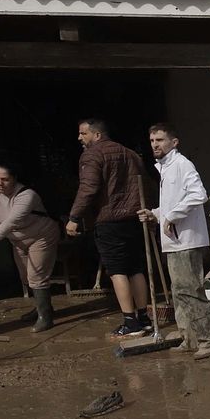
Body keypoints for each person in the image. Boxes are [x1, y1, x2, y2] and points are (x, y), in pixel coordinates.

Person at [139, 123, 210, 359]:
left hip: (186, 240)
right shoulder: (165, 169)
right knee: (179, 292)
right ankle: (190, 338)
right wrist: (156, 214)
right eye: (152, 141)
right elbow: (173, 203)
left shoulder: (182, 164)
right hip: (174, 240)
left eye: (160, 140)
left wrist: (172, 217)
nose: (155, 144)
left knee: (190, 291)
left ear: (174, 142)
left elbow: (199, 194)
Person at [67, 118, 151, 338]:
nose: (79, 138)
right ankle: (144, 318)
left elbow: (89, 187)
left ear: (96, 135)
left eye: (82, 134)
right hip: (134, 217)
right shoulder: (131, 154)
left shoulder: (93, 154)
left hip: (109, 219)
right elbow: (145, 184)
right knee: (135, 268)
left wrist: (74, 217)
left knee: (117, 271)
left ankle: (130, 322)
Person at [0, 163, 61, 332]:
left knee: (37, 276)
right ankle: (41, 307)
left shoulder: (27, 195)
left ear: (14, 178)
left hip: (41, 236)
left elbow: (13, 221)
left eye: (4, 179)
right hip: (17, 240)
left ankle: (45, 317)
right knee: (25, 276)